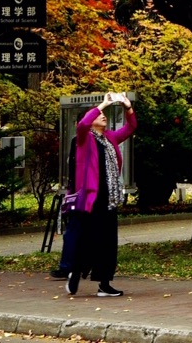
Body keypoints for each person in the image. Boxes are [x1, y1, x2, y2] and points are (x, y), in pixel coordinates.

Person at [68, 94, 136, 298]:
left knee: (108, 241)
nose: (103, 116)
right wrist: (103, 104)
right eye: (100, 115)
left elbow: (131, 128)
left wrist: (128, 107)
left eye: (105, 114)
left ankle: (104, 284)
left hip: (110, 197)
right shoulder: (83, 138)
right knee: (88, 238)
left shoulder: (110, 138)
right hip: (92, 198)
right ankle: (75, 271)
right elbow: (82, 124)